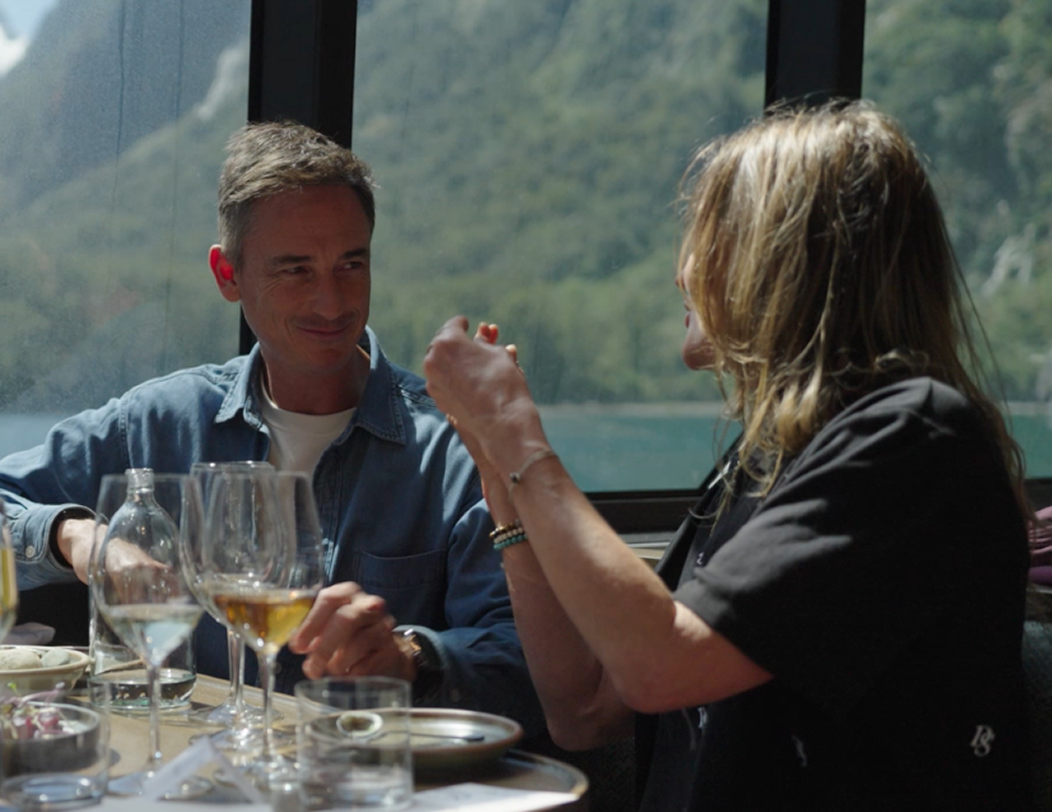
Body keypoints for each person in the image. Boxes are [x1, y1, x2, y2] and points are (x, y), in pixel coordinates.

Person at [421, 102, 1032, 810]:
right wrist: (503, 481)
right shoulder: (770, 456)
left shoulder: (913, 439)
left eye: (703, 236)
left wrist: (517, 435)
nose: (681, 273)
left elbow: (661, 667)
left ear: (780, 255)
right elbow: (584, 707)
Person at [0, 121, 537, 725]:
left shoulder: (453, 445)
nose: (331, 302)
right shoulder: (161, 422)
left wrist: (413, 655)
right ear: (227, 276)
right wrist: (78, 538)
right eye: (295, 270)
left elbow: (536, 666)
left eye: (350, 264)